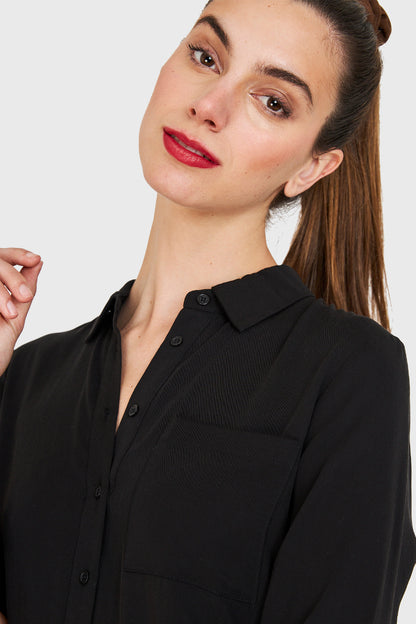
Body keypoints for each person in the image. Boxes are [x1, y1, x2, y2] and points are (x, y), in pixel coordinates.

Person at [0, 0, 415, 622]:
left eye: (272, 101)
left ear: (312, 167)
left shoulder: (349, 372)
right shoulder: (27, 376)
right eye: (205, 57)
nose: (209, 106)